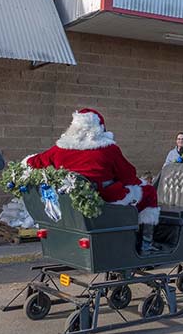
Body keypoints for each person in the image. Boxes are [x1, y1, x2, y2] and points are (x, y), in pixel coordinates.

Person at [25, 108, 161, 254]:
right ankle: (146, 246)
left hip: (69, 203)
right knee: (148, 191)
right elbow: (128, 175)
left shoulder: (59, 149)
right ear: (100, 128)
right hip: (104, 200)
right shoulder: (108, 149)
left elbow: (33, 162)